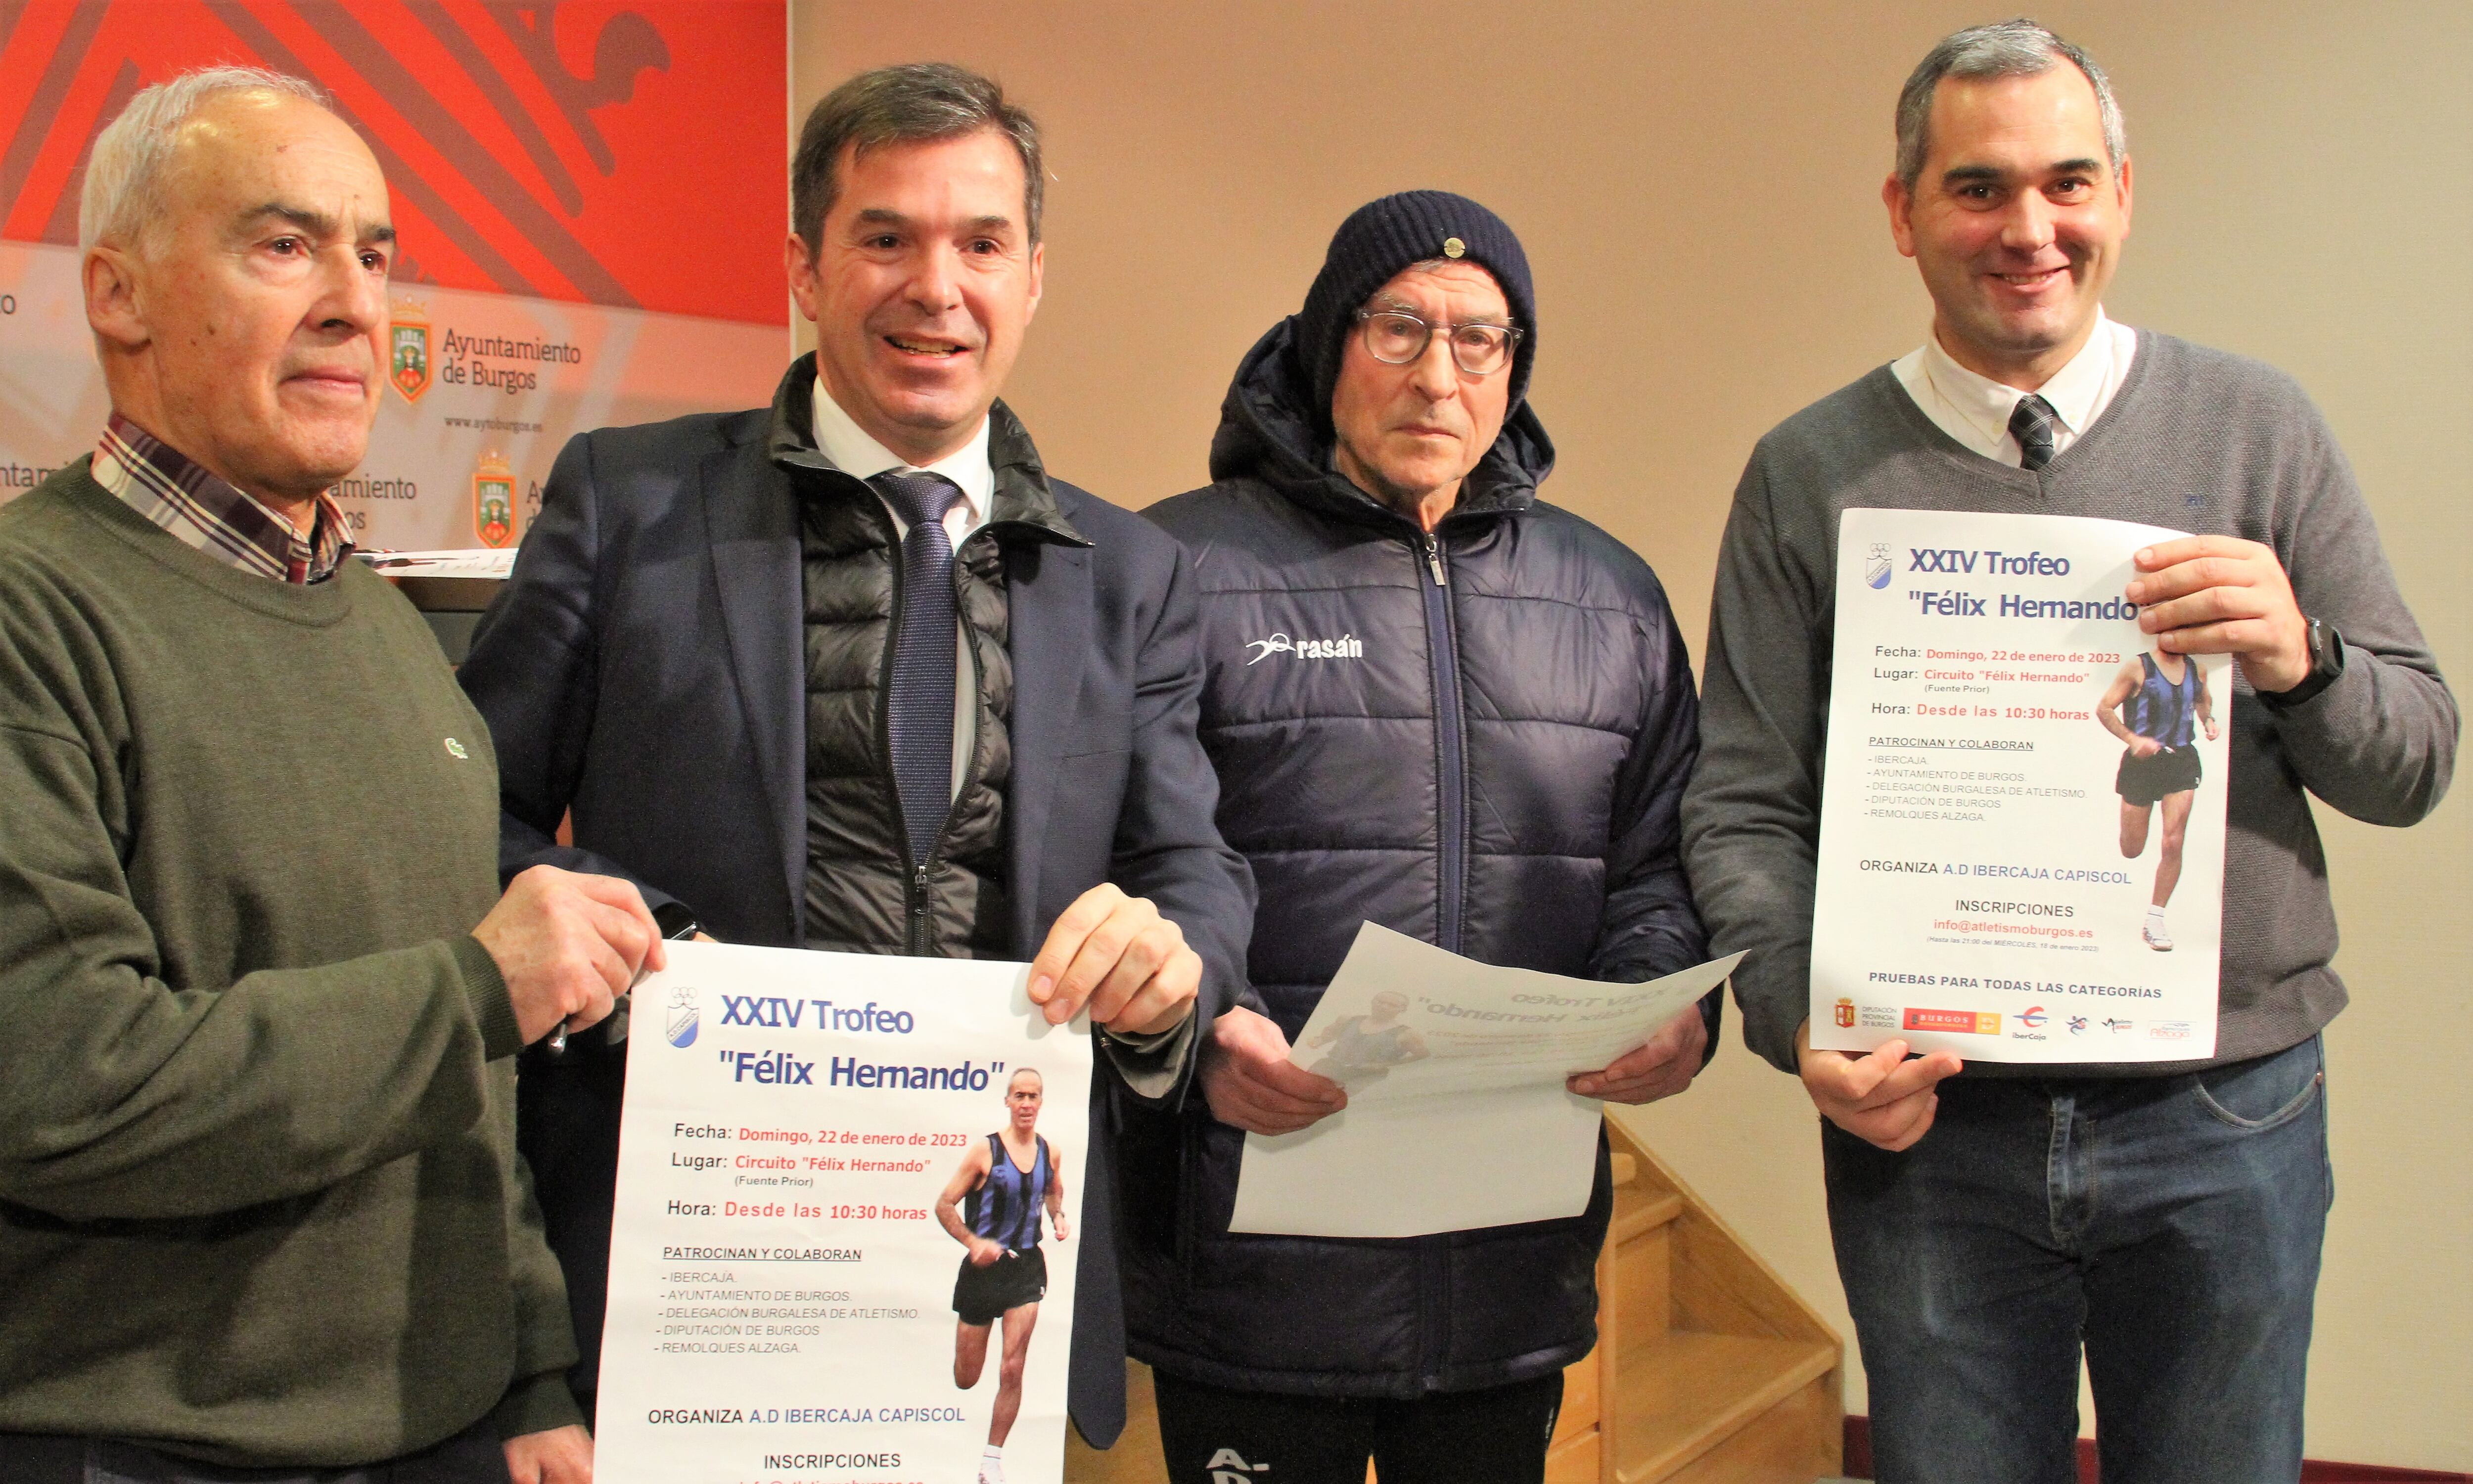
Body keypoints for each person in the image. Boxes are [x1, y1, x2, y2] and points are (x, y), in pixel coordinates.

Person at [1683, 21, 2458, 1484]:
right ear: (1902, 212)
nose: (2025, 229)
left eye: (2065, 182)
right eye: (1976, 189)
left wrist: (2300, 658)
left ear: (2119, 195)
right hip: (1933, 1127)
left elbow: (2410, 761)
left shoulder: (2256, 431)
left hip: (2223, 1109)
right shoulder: (1809, 471)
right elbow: (1741, 800)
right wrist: (1800, 1019)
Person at [455, 63, 1253, 1449]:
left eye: (981, 243)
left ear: (1034, 277)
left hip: (991, 1267)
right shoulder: (629, 507)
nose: (935, 286)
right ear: (805, 270)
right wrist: (594, 936)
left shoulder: (1134, 575)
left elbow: (1190, 862)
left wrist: (1172, 960)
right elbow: (478, 816)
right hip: (691, 1270)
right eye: (886, 237)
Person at [0, 68, 662, 1484]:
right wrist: (483, 982)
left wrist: (531, 1365)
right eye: (284, 245)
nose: (358, 304)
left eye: (377, 255)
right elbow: (59, 1085)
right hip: (135, 1446)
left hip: (447, 1432)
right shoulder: (29, 615)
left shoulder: (384, 626)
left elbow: (467, 1089)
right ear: (117, 295)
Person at [1129, 192, 1714, 1484]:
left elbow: (1659, 868)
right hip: (1252, 1259)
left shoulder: (1609, 600)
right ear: (1330, 341)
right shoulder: (1175, 571)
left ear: (1516, 369)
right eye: (1399, 329)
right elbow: (1119, 865)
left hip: (1505, 1267)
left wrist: (1666, 1015)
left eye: (1480, 341)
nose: (1438, 376)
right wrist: (1194, 1033)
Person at [938, 1069, 1069, 1484]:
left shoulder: (1052, 1151)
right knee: (967, 1377)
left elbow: (1053, 1192)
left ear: (1041, 1102)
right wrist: (973, 1242)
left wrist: (1059, 1216)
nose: (1027, 1103)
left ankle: (991, 1460)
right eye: (1020, 1095)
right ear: (1008, 1102)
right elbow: (944, 1204)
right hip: (982, 1271)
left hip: (1026, 1268)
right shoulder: (984, 1151)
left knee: (1013, 1366)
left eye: (1034, 1095)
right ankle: (962, 1375)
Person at [2098, 646, 2219, 950]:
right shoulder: (2137, 667)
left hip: (2181, 760)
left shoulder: (2197, 669)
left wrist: (2208, 721)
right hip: (2141, 764)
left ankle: (2155, 919)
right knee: (2132, 849)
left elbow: (2203, 701)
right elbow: (2104, 708)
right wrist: (2133, 739)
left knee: (2173, 842)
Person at [1299, 989, 1428, 1087]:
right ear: (1373, 1002)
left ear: (1403, 1010)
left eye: (1392, 1005)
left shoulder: (1407, 1034)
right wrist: (1319, 1041)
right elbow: (1329, 1035)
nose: (1384, 1007)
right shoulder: (1349, 1019)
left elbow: (1422, 1055)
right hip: (1331, 1066)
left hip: (1366, 1076)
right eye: (1380, 1002)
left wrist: (1387, 1064)